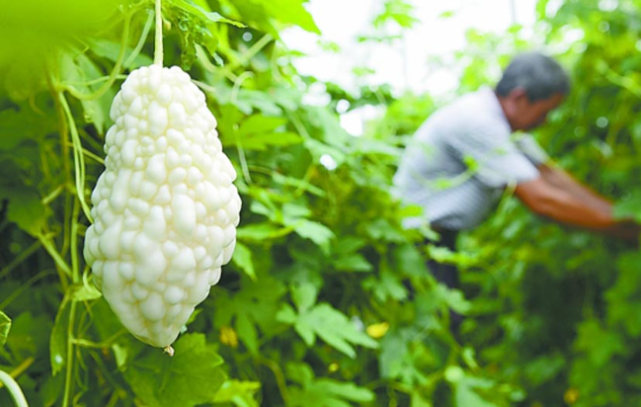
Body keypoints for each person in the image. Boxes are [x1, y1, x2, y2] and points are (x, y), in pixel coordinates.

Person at [392, 51, 640, 331]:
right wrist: (626, 229)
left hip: (433, 240)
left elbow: (551, 175)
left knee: (442, 325)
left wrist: (621, 216)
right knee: (434, 328)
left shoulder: (503, 125)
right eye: (545, 111)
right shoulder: (477, 121)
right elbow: (541, 199)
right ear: (520, 98)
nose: (545, 121)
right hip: (413, 242)